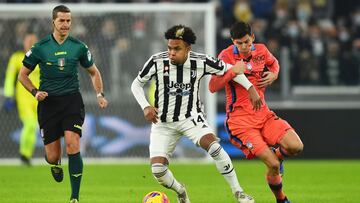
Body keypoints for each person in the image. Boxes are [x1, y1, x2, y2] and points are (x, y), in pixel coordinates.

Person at [131, 24, 258, 203]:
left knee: (213, 146)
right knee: (158, 170)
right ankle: (180, 191)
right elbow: (136, 84)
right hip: (163, 122)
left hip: (191, 118)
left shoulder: (200, 61)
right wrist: (145, 106)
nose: (171, 52)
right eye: (169, 48)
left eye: (177, 49)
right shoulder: (157, 61)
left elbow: (233, 70)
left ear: (188, 49)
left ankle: (239, 192)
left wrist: (251, 88)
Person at [17, 5, 108, 203]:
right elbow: (22, 75)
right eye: (62, 21)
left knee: (73, 144)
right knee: (52, 155)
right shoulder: (40, 48)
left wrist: (99, 94)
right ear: (53, 22)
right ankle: (54, 163)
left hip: (71, 101)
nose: (66, 24)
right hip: (48, 103)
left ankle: (74, 197)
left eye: (68, 21)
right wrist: (34, 91)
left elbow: (94, 71)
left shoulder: (78, 47)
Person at [209, 21, 304, 203]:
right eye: (239, 43)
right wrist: (231, 72)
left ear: (252, 37)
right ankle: (282, 199)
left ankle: (277, 155)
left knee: (295, 146)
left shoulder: (261, 50)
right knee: (273, 165)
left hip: (264, 114)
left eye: (246, 41)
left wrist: (274, 74)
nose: (244, 46)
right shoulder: (225, 56)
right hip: (241, 122)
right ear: (232, 41)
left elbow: (274, 62)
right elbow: (213, 86)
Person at [3, 33, 39, 166]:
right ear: (23, 42)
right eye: (28, 40)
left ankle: (27, 155)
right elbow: (9, 77)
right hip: (24, 98)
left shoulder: (41, 58)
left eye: (33, 41)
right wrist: (8, 95)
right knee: (29, 124)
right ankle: (24, 154)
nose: (30, 43)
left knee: (34, 127)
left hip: (39, 98)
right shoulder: (17, 58)